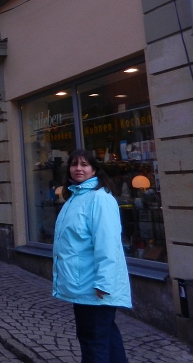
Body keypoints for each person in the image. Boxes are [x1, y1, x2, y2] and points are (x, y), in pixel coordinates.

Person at [53, 149, 131, 362]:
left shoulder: (99, 199)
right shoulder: (76, 197)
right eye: (74, 164)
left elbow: (108, 245)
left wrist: (104, 283)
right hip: (83, 284)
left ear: (94, 169)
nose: (78, 169)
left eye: (84, 164)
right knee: (105, 336)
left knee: (93, 341)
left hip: (94, 286)